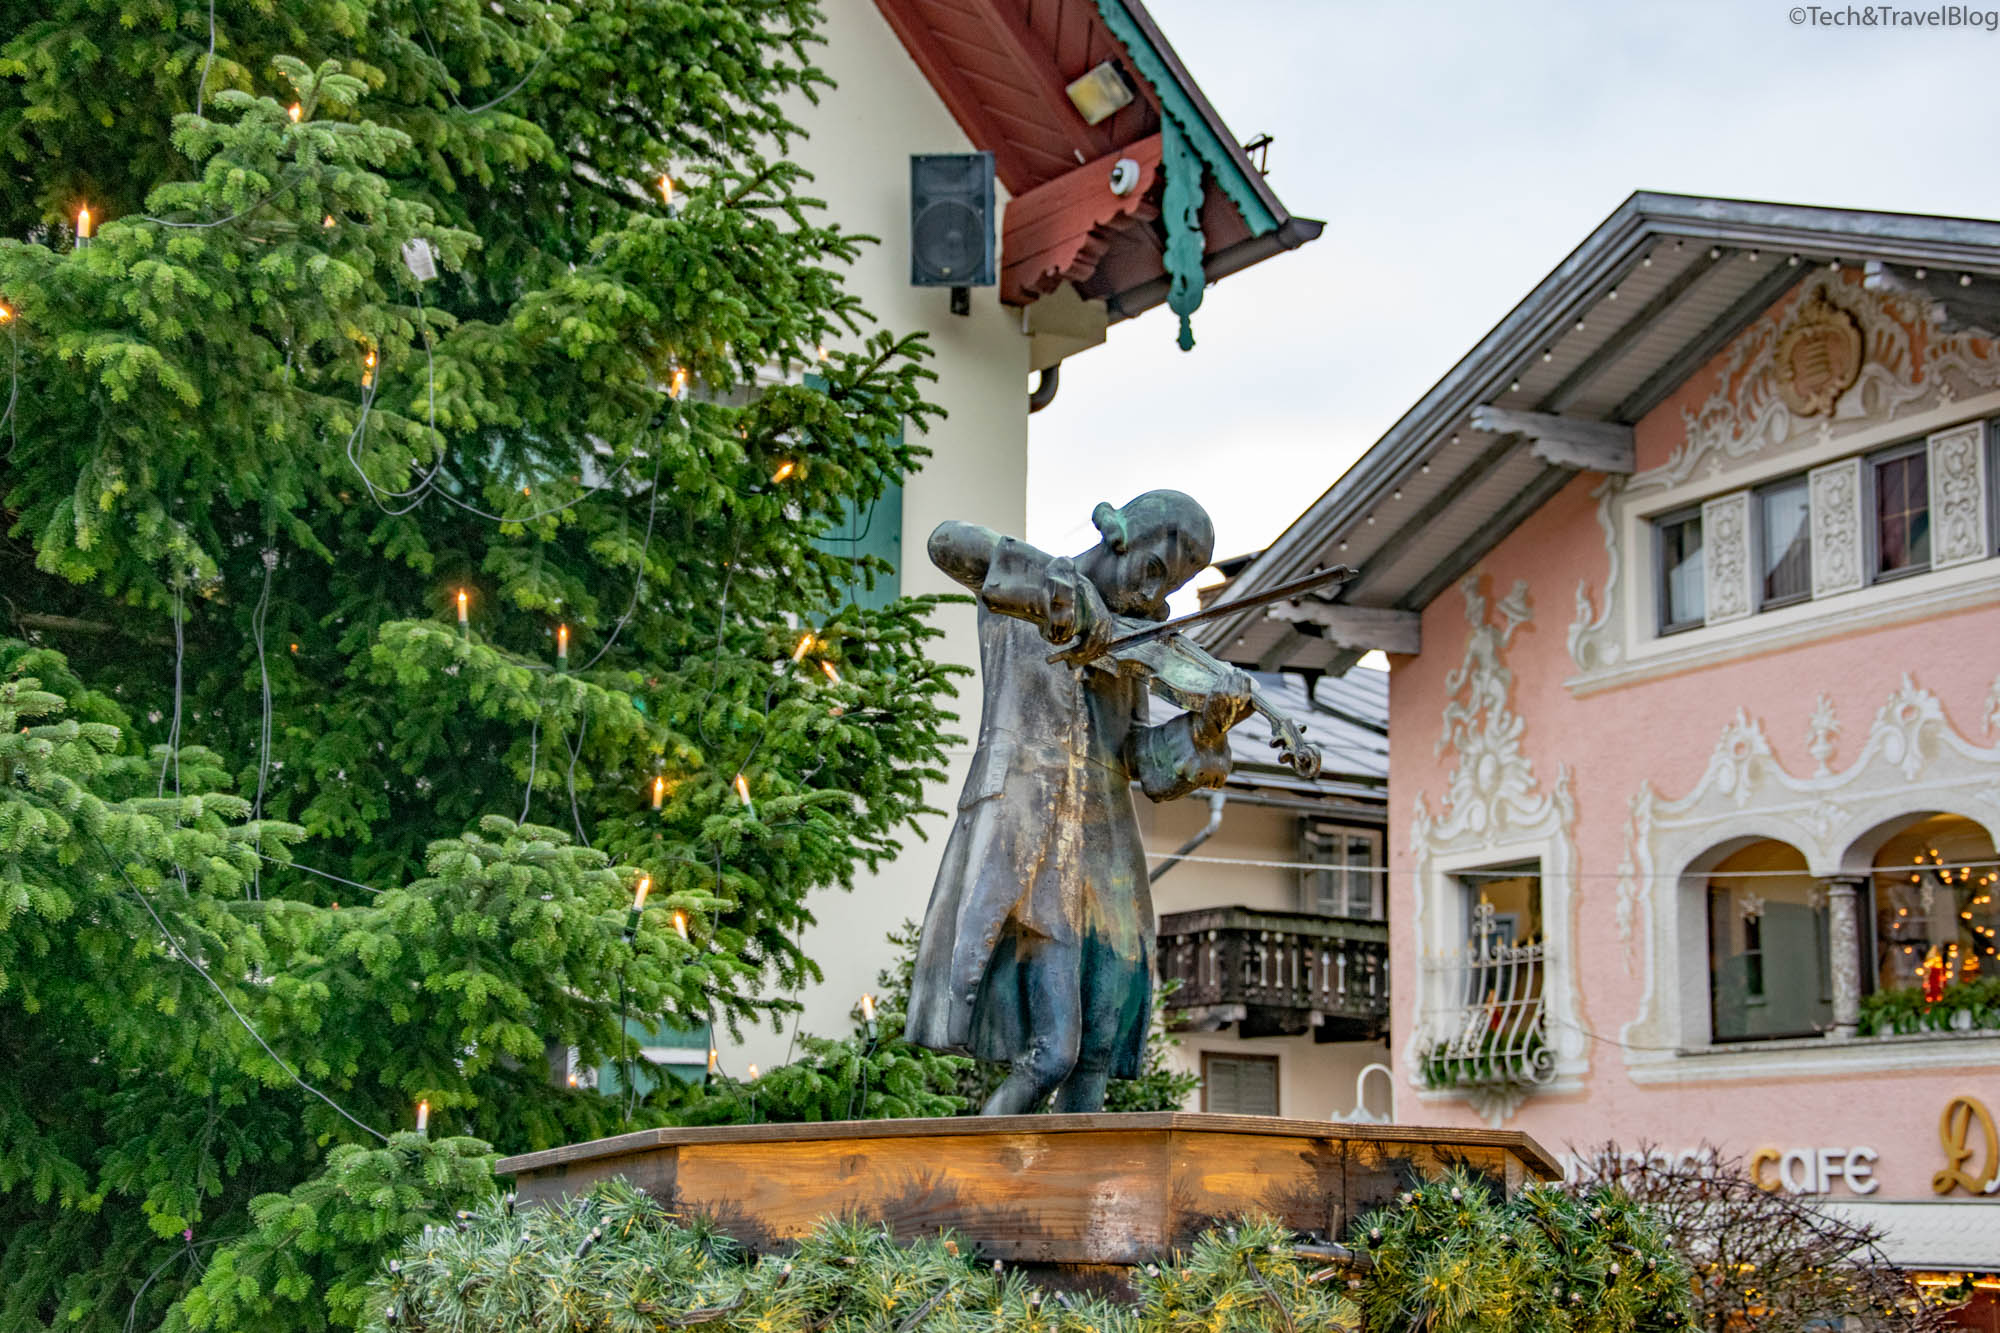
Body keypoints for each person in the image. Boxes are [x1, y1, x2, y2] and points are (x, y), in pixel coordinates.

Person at [905, 490, 1251, 1114]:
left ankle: (1075, 1178)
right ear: (1117, 534)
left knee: (1097, 1053)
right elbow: (947, 543)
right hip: (1030, 840)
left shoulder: (1132, 644)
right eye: (1152, 571)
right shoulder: (1030, 594)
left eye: (1170, 588)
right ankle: (984, 1169)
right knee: (1052, 1053)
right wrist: (1057, 591)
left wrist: (1206, 730)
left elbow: (1143, 761)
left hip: (1104, 852)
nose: (1154, 598)